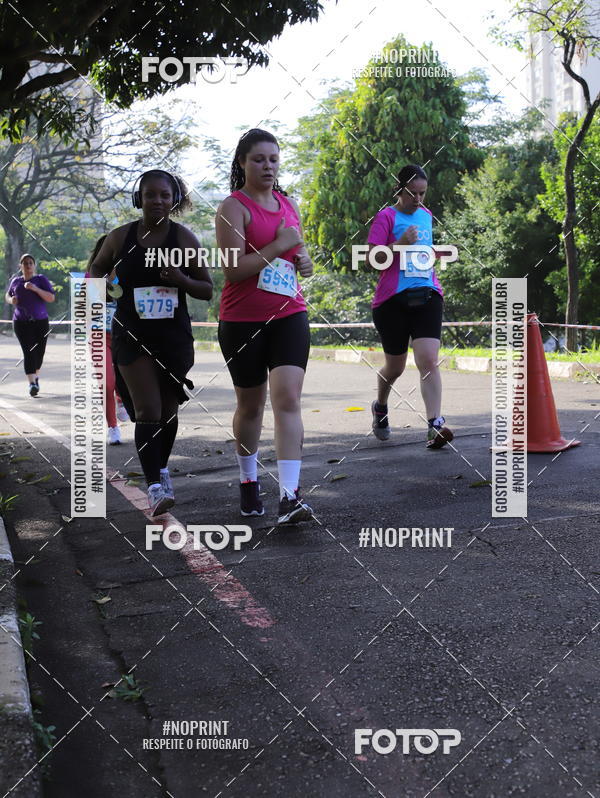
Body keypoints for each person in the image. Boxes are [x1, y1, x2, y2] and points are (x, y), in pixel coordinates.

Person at [90, 169, 213, 515]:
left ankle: (161, 470)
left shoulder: (184, 238)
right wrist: (104, 289)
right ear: (138, 199)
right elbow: (96, 269)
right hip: (132, 335)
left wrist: (181, 279)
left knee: (168, 412)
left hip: (173, 338)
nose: (157, 201)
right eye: (150, 195)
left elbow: (206, 289)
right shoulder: (120, 237)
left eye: (164, 195)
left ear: (174, 200)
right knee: (148, 410)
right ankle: (155, 487)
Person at [215, 128, 314, 525]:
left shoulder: (289, 204)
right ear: (242, 163)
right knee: (251, 406)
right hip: (242, 321)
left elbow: (298, 253)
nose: (268, 166)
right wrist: (279, 246)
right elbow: (233, 269)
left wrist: (303, 261)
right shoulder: (232, 207)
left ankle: (290, 496)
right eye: (258, 159)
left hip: (289, 313)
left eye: (273, 159)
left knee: (287, 397)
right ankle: (248, 480)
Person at [366, 164, 453, 449]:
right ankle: (380, 406)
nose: (418, 199)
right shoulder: (386, 217)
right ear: (400, 190)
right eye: (412, 193)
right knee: (395, 367)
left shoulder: (426, 215)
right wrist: (400, 243)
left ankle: (434, 425)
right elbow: (372, 260)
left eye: (422, 193)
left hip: (427, 293)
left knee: (428, 359)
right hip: (392, 301)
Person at [85, 236, 129, 446]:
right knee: (106, 382)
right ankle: (113, 427)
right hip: (97, 337)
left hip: (120, 336)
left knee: (121, 380)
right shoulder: (89, 278)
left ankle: (121, 400)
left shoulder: (124, 274)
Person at [5, 254, 55, 396]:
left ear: (34, 265)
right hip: (21, 322)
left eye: (30, 263)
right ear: (20, 266)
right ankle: (32, 383)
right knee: (28, 351)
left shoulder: (40, 279)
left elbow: (51, 298)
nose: (28, 265)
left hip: (40, 322)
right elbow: (7, 295)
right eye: (25, 263)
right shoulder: (16, 281)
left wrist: (35, 289)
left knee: (39, 353)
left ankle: (35, 377)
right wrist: (11, 300)